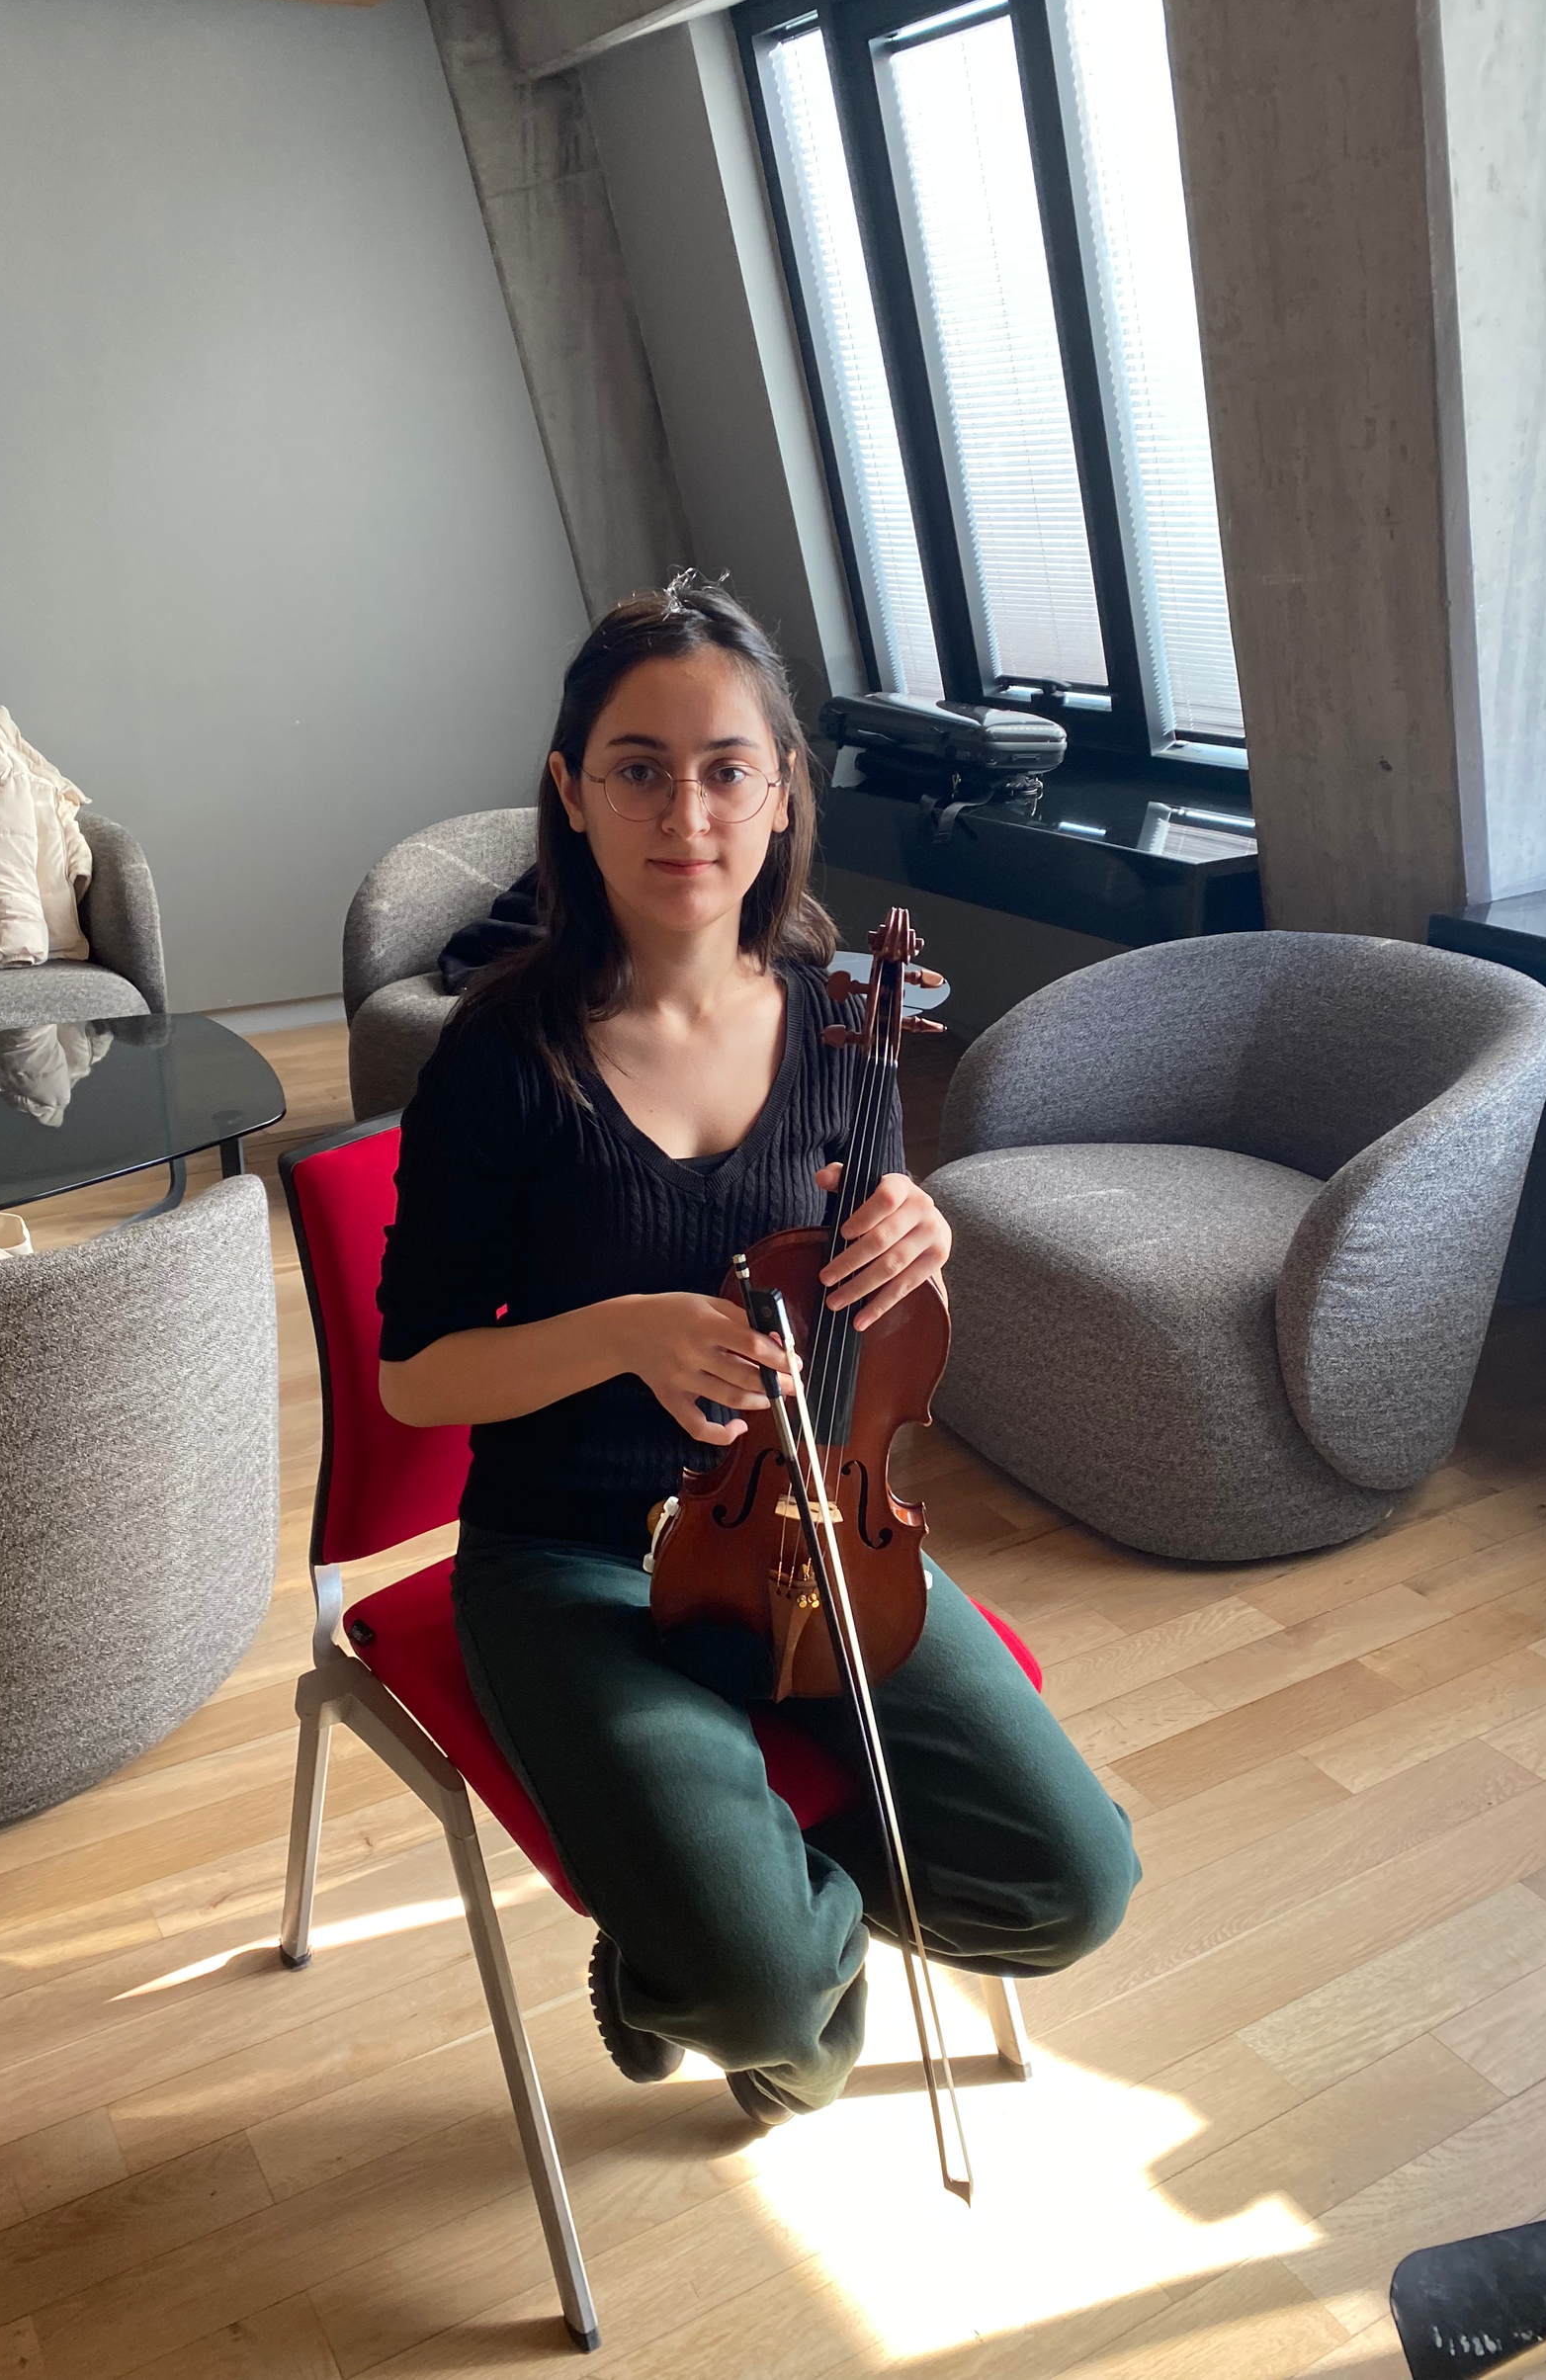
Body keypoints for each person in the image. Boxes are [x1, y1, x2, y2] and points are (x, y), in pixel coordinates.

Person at [378, 577, 1139, 2124]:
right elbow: (416, 1376)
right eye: (637, 768)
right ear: (569, 791)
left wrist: (912, 1240)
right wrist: (620, 1337)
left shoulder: (844, 1021)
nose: (687, 814)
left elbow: (856, 1313)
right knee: (765, 2000)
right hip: (574, 1558)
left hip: (816, 1530)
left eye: (726, 768)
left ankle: (708, 1928)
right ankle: (731, 1960)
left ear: (782, 788)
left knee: (1071, 1886)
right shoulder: (499, 1058)